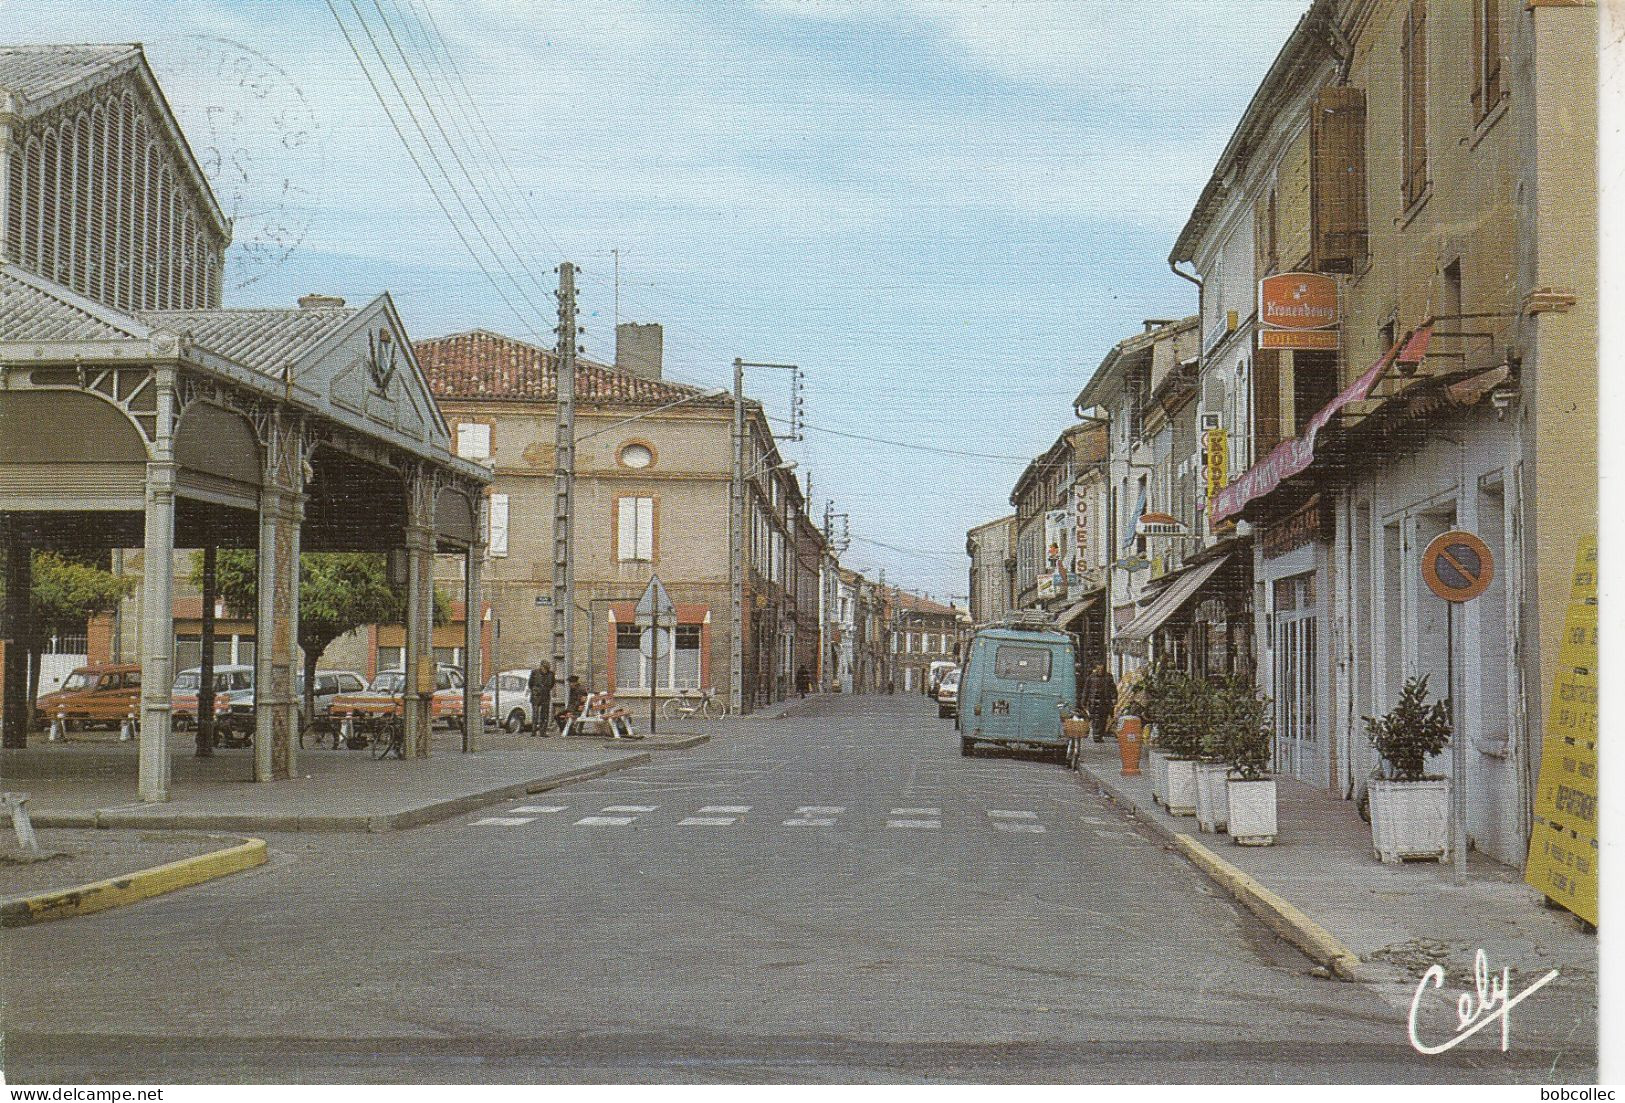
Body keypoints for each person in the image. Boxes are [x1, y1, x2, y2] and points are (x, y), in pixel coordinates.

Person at [1085, 664, 1117, 743]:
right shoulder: (1091, 677)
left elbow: (1113, 688)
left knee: (1103, 719)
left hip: (1105, 702)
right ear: (1096, 669)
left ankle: (1100, 735)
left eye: (1102, 669)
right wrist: (1084, 701)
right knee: (1095, 720)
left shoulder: (1108, 677)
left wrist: (1114, 698)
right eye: (1099, 669)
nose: (1100, 671)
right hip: (1094, 702)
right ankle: (1096, 736)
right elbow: (1086, 690)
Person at [527, 661, 555, 737]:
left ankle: (543, 732)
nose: (545, 670)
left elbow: (552, 684)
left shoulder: (551, 674)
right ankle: (533, 731)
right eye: (544, 668)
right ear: (541, 667)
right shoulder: (535, 672)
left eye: (547, 668)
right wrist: (536, 690)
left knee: (545, 714)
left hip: (545, 695)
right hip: (536, 695)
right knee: (535, 714)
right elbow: (530, 684)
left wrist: (545, 689)